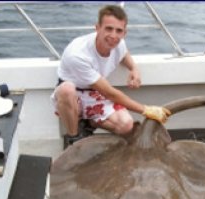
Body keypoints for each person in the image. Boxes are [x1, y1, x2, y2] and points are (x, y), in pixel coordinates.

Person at [51, 4, 171, 148]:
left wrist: (134, 69)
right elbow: (109, 93)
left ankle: (89, 123)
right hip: (72, 95)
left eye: (118, 31)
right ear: (97, 28)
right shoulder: (77, 54)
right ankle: (73, 137)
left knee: (126, 125)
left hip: (94, 93)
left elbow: (124, 53)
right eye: (108, 28)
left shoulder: (118, 44)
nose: (113, 35)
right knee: (67, 90)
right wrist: (146, 110)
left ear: (124, 33)